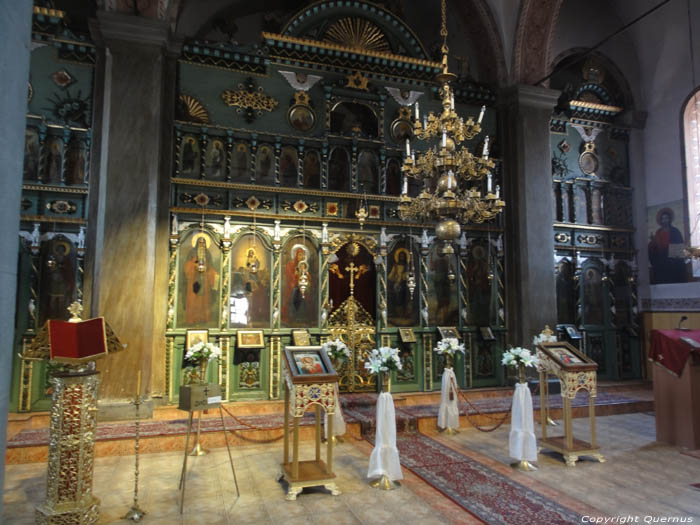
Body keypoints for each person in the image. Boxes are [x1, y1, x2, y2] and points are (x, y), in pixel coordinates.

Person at [183, 237, 219, 326]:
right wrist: (194, 264)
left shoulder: (207, 253)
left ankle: (203, 318)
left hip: (205, 279)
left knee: (204, 301)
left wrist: (211, 271)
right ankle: (192, 319)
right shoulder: (192, 252)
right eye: (200, 243)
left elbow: (211, 267)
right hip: (193, 279)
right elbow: (186, 266)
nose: (202, 245)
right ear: (196, 243)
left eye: (203, 243)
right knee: (193, 299)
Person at [648, 208, 686, 284]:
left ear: (669, 219)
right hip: (661, 261)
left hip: (672, 261)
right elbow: (655, 247)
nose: (664, 220)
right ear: (660, 220)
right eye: (663, 218)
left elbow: (679, 246)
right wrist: (652, 243)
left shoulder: (675, 231)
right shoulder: (658, 232)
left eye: (666, 218)